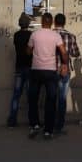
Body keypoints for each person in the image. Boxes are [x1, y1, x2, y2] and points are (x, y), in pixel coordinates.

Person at [26, 12, 69, 140]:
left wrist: (32, 51)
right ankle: (48, 131)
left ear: (42, 21)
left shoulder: (34, 34)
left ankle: (34, 125)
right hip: (50, 71)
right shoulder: (56, 35)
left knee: (33, 99)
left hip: (36, 71)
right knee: (51, 100)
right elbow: (63, 52)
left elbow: (28, 52)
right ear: (51, 23)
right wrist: (65, 64)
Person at [53, 13, 80, 135]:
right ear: (64, 22)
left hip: (52, 69)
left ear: (54, 22)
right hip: (65, 69)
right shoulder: (71, 36)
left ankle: (51, 124)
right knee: (62, 99)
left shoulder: (50, 35)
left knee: (52, 97)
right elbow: (75, 53)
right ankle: (60, 126)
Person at [7, 13, 33, 128]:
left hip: (19, 67)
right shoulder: (31, 35)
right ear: (28, 24)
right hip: (29, 67)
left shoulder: (16, 35)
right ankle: (32, 121)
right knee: (30, 96)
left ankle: (12, 121)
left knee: (16, 95)